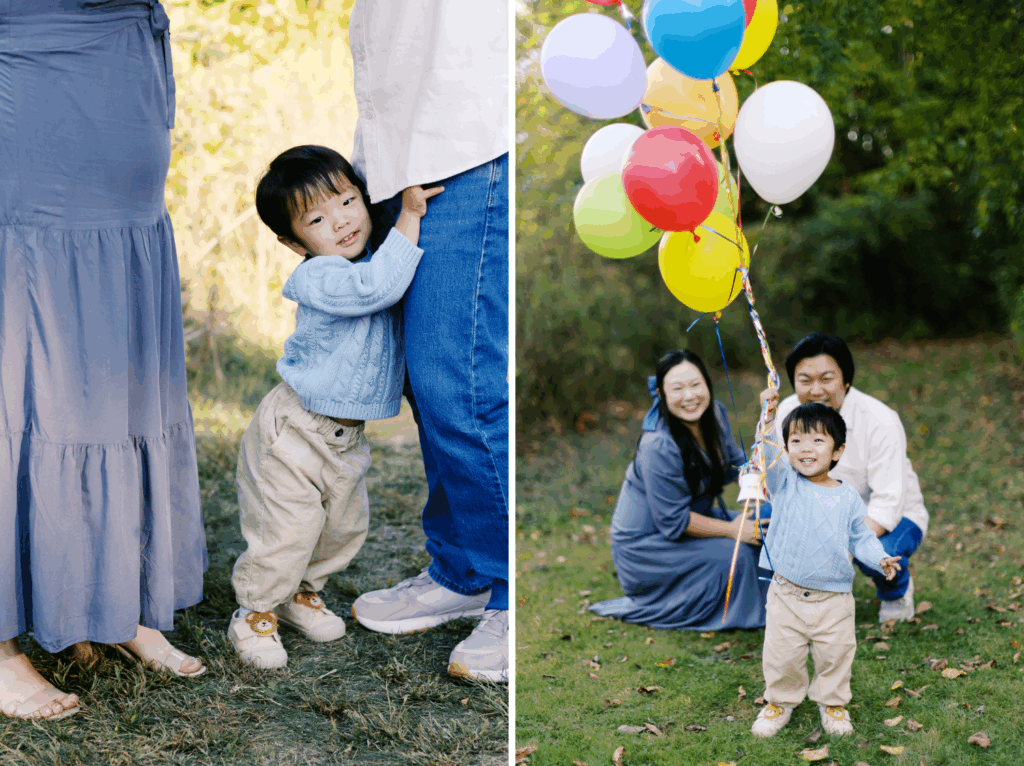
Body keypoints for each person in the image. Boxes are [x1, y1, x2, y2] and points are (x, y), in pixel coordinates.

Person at [0, 0, 207, 721]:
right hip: (32, 53)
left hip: (126, 58)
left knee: (113, 361)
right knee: (27, 350)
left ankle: (111, 599)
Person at [226, 146, 441, 669]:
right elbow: (376, 288)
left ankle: (302, 593)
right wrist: (410, 215)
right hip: (295, 429)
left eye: (347, 202)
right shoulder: (320, 276)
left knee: (342, 527)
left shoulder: (370, 259)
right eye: (318, 219)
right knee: (287, 528)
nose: (342, 221)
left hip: (345, 437)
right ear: (293, 242)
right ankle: (254, 612)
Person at [345, 0, 509, 682]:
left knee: (459, 383)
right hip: (394, 159)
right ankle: (462, 570)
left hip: (464, 144)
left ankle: (511, 590)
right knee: (424, 382)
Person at [750, 394, 901, 738]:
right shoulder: (783, 483)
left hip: (834, 599)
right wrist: (768, 418)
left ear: (837, 451)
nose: (806, 448)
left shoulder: (848, 497)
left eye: (818, 440)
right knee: (781, 654)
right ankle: (780, 702)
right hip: (786, 593)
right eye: (796, 440)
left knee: (836, 655)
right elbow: (768, 454)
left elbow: (860, 536)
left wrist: (879, 557)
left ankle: (832, 702)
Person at [589, 350, 772, 631]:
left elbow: (736, 463)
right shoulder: (658, 445)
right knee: (739, 553)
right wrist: (732, 530)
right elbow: (673, 521)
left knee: (766, 520)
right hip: (648, 546)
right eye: (677, 388)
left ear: (707, 384)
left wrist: (764, 434)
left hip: (692, 519)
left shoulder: (715, 414)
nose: (689, 396)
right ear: (661, 394)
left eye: (696, 384)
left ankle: (789, 596)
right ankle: (751, 609)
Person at [774, 333, 929, 622]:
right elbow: (777, 476)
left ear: (846, 380)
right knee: (764, 523)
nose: (816, 390)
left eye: (826, 379)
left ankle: (896, 592)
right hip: (820, 510)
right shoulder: (786, 413)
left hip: (892, 515)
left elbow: (889, 502)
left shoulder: (880, 420)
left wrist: (843, 540)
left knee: (879, 553)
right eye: (805, 380)